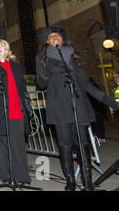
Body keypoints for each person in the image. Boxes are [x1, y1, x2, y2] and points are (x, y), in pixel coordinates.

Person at [36, 26, 117, 191]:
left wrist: (109, 101)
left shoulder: (72, 55)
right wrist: (47, 67)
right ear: (47, 41)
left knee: (82, 143)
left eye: (57, 35)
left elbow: (85, 82)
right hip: (59, 107)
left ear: (63, 39)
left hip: (78, 104)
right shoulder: (42, 58)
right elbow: (42, 82)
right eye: (51, 36)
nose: (55, 38)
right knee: (65, 144)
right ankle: (70, 182)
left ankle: (87, 183)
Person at [0, 39, 33, 186]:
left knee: (18, 145)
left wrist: (26, 103)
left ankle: (22, 177)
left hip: (16, 109)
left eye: (2, 46)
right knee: (2, 146)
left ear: (7, 50)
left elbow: (21, 86)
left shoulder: (14, 65)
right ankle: (6, 176)